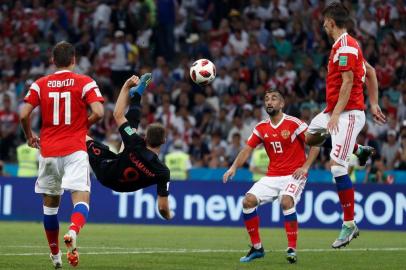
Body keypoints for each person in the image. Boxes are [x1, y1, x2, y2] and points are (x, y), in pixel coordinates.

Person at [304, 2, 386, 249]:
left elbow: (349, 83)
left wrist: (337, 115)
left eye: (324, 21)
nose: (322, 25)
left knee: (337, 168)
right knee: (309, 136)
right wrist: (374, 104)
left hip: (348, 114)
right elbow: (370, 72)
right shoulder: (343, 46)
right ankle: (358, 150)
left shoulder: (347, 47)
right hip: (335, 110)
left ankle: (349, 224)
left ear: (330, 21)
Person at [20, 41, 104, 268]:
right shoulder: (85, 82)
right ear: (74, 59)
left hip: (48, 151)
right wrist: (81, 127)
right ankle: (73, 231)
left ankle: (55, 256)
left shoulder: (40, 84)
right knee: (81, 199)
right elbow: (99, 111)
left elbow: (24, 114)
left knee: (50, 207)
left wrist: (29, 136)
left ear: (52, 60)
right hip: (74, 150)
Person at [223, 89, 320, 264]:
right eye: (267, 99)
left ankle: (291, 248)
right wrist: (233, 168)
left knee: (286, 201)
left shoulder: (294, 123)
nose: (269, 102)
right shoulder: (261, 127)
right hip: (272, 175)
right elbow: (247, 149)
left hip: (294, 175)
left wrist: (305, 167)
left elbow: (316, 144)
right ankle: (257, 247)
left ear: (281, 104)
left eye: (274, 99)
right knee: (247, 201)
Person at [86, 73, 173, 220]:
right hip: (118, 178)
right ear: (164, 141)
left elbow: (118, 114)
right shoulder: (163, 171)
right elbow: (163, 208)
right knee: (130, 134)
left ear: (145, 137)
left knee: (80, 136)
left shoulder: (135, 141)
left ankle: (136, 97)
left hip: (106, 171)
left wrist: (126, 86)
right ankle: (136, 96)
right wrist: (169, 217)